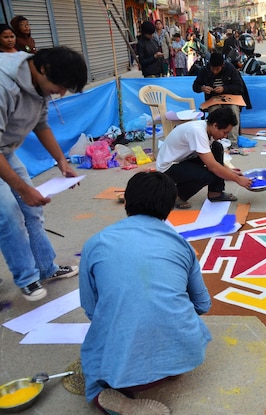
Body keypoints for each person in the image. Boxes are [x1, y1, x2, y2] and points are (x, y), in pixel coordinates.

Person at [79, 171, 212, 415]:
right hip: (184, 357)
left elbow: (90, 308)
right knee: (178, 317)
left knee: (95, 352)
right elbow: (203, 304)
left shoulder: (96, 243)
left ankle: (104, 397)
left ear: (126, 202)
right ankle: (171, 362)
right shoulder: (181, 245)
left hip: (124, 373)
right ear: (169, 208)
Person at [0, 47, 87, 301]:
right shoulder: (4, 85)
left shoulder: (40, 82)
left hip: (5, 149)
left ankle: (46, 268)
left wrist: (62, 160)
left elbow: (41, 124)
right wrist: (23, 189)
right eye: (59, 86)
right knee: (9, 215)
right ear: (42, 69)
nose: (60, 93)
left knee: (33, 209)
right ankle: (27, 278)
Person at [156, 108, 253, 209]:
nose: (225, 136)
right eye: (224, 132)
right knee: (207, 174)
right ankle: (177, 195)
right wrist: (237, 179)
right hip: (168, 168)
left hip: (184, 159)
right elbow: (212, 166)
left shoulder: (207, 128)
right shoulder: (197, 131)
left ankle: (215, 193)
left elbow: (211, 159)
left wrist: (229, 171)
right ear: (215, 125)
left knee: (217, 147)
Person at [192, 52, 251, 145]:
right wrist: (202, 88)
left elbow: (239, 86)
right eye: (213, 69)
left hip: (231, 98)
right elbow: (195, 86)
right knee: (214, 111)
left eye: (217, 69)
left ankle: (232, 142)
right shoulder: (204, 70)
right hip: (213, 99)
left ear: (223, 65)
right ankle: (215, 142)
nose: (215, 71)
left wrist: (224, 88)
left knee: (233, 109)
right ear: (210, 66)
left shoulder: (230, 68)